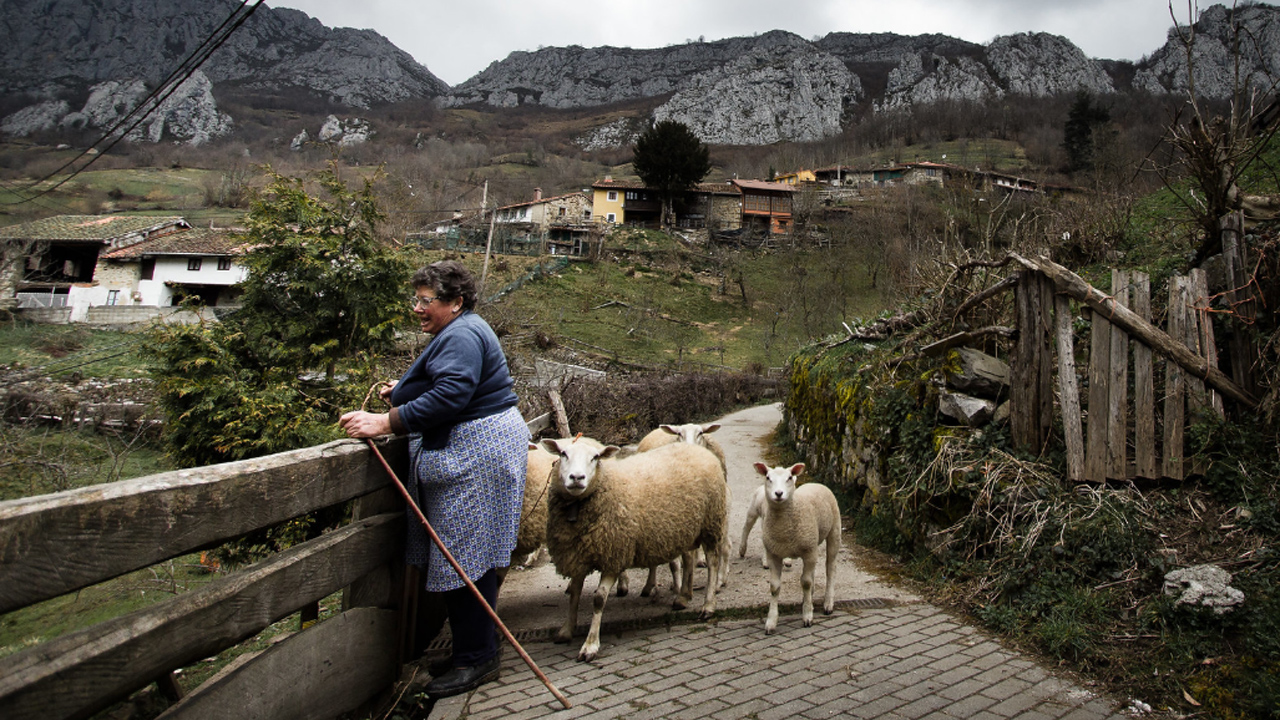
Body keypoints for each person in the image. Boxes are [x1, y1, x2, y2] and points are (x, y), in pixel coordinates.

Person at [340, 260, 527, 699]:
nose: (418, 308)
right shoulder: (464, 329)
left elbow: (452, 393)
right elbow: (446, 382)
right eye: (417, 299)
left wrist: (386, 422)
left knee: (465, 556)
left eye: (427, 301)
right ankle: (474, 647)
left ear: (455, 302)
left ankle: (476, 660)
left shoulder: (460, 334)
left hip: (475, 456)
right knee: (470, 553)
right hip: (483, 449)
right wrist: (403, 390)